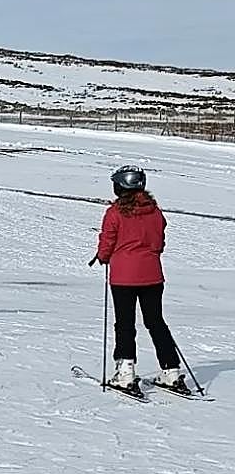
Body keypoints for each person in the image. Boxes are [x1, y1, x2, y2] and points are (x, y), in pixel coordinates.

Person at [94, 165, 186, 394]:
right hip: (153, 275)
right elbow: (159, 243)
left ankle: (125, 373)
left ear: (121, 186)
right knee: (156, 322)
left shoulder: (115, 213)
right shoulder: (155, 211)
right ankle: (171, 370)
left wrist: (103, 257)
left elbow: (107, 242)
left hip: (124, 277)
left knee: (125, 324)